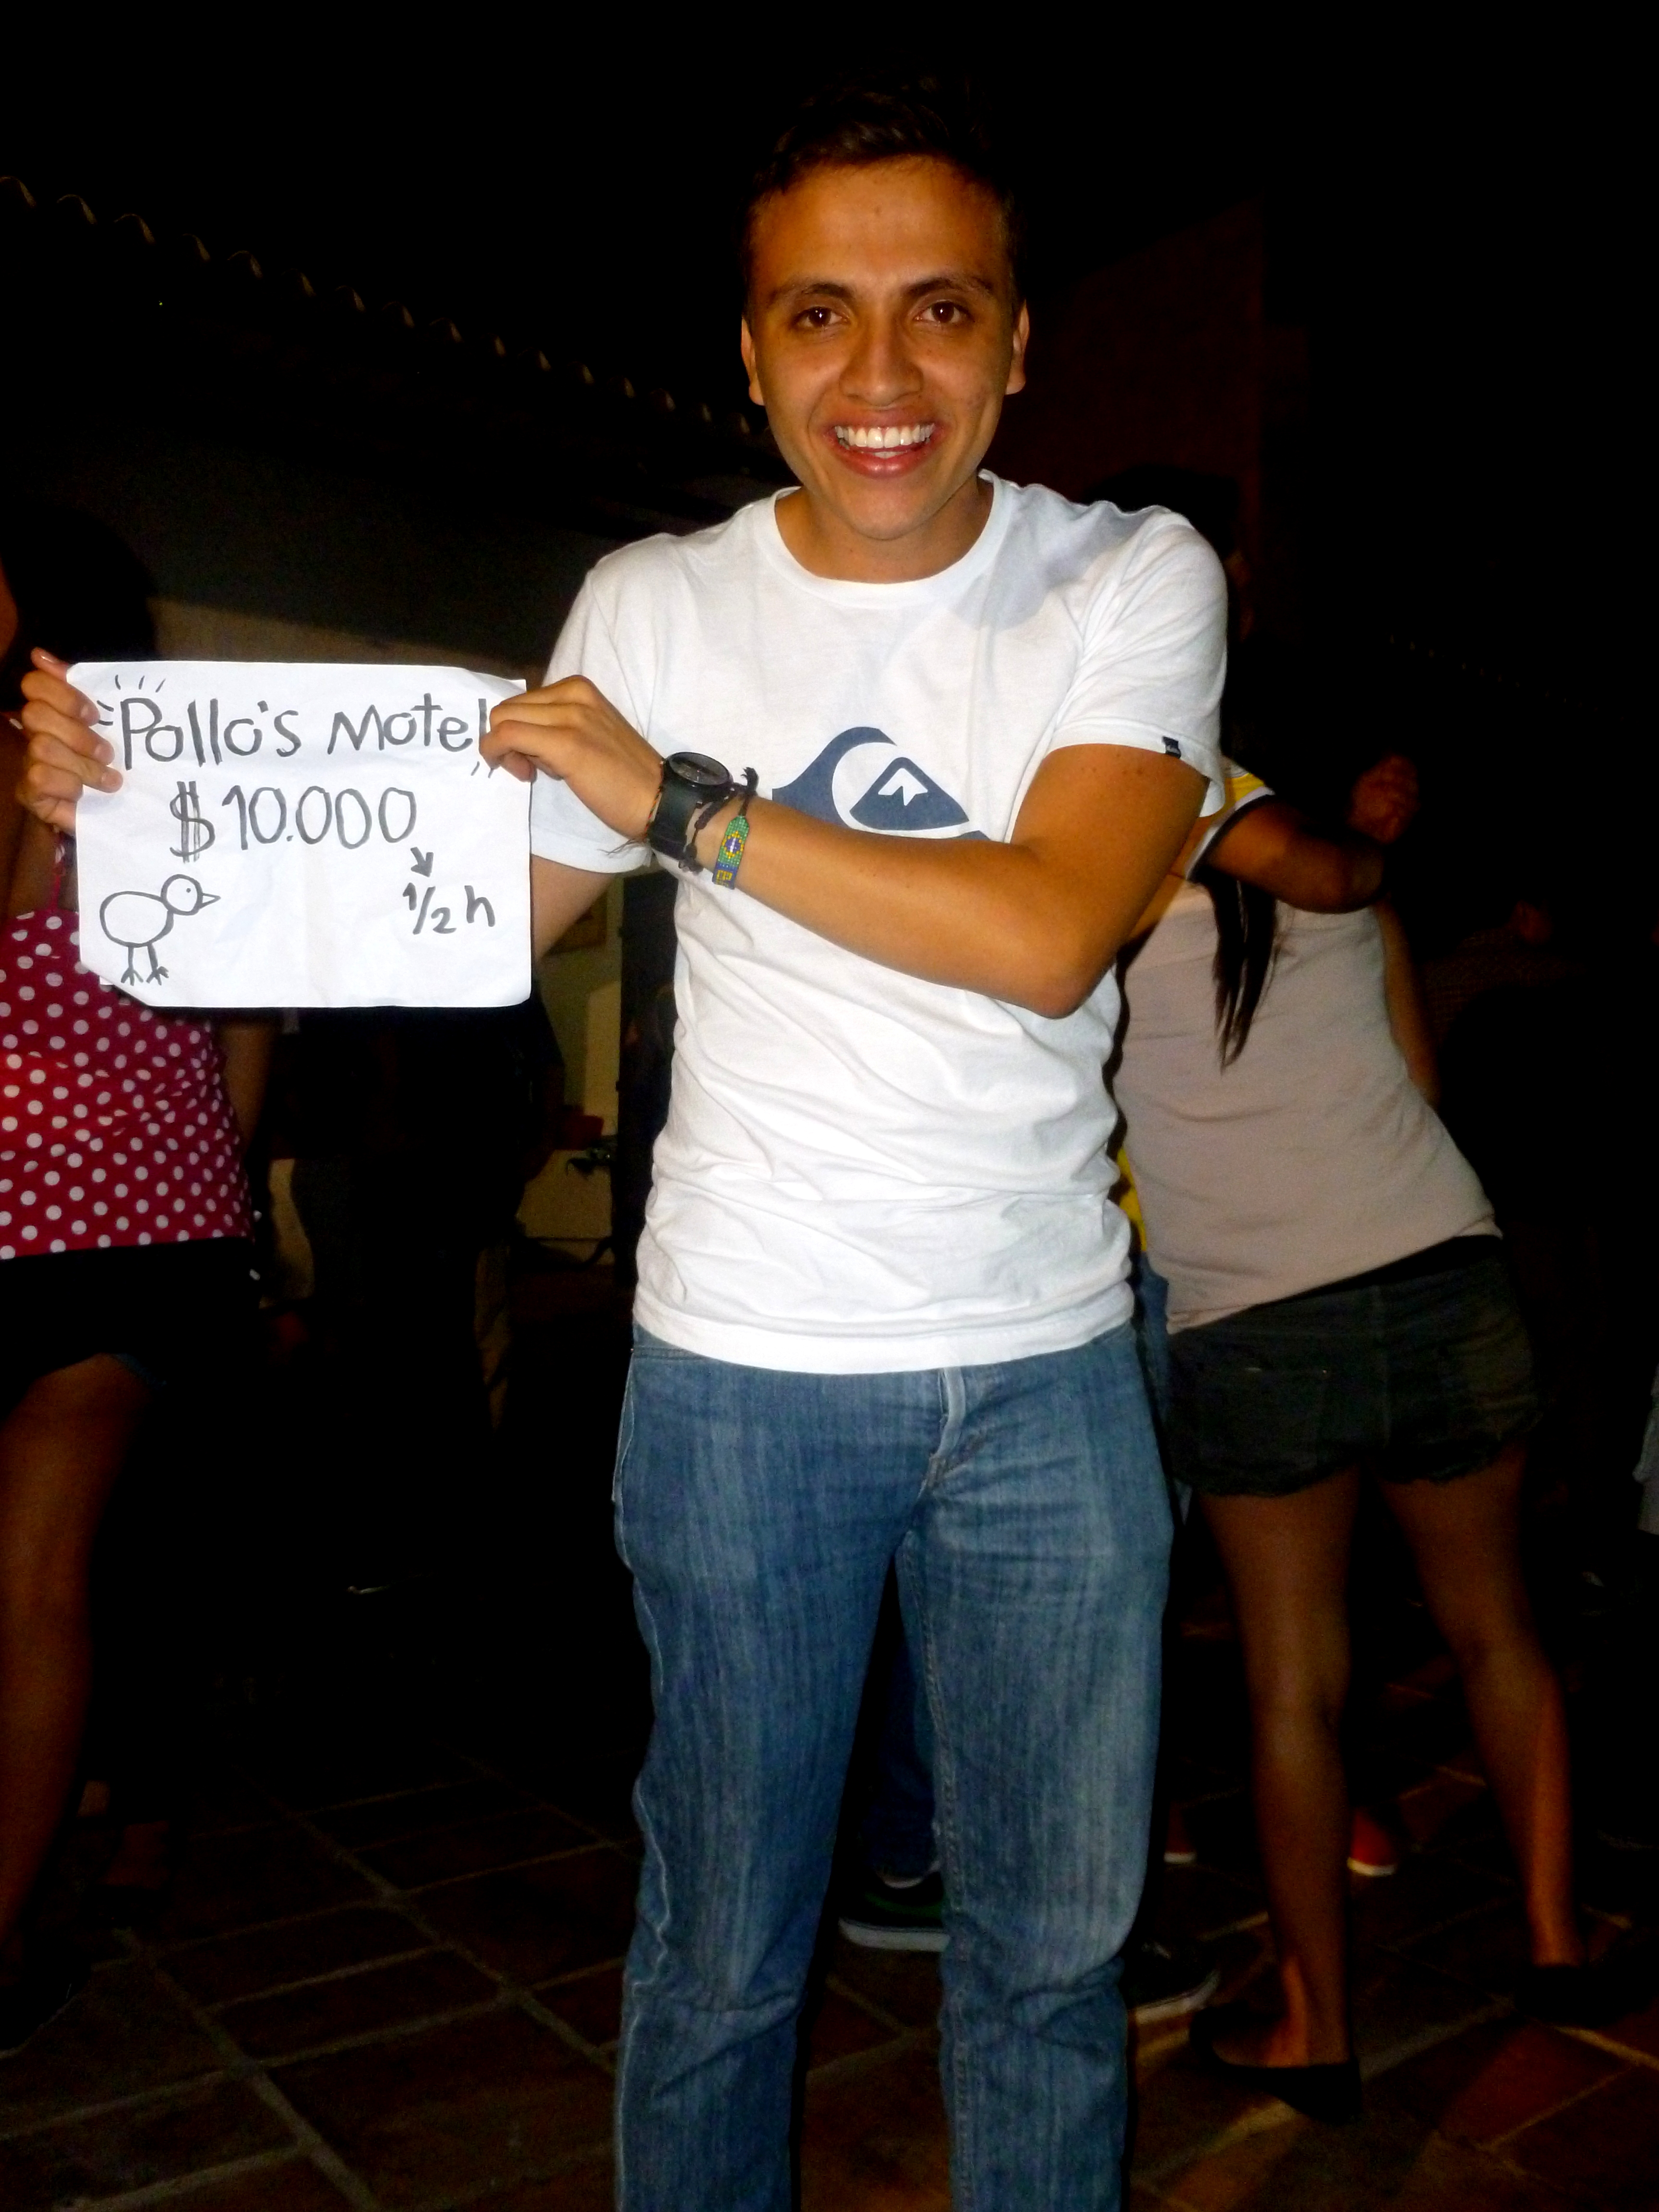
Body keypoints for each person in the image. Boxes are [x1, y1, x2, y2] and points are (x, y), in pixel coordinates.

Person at [25, 78, 1225, 2205]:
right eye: (819, 314)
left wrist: (683, 806)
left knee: (1049, 1960)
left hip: (1049, 1367)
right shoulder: (656, 600)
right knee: (718, 1956)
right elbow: (468, 922)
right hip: (745, 1369)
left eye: (941, 310)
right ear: (751, 352)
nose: (880, 373)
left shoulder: (1128, 573)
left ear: (1020, 341)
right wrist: (146, 820)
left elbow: (1053, 930)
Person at [1112, 752, 1644, 2124]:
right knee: (1500, 1630)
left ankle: (1316, 2023)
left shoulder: (1103, 913)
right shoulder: (1355, 900)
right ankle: (1557, 1944)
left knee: (1293, 1683)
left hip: (1254, 1317)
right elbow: (1418, 1080)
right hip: (1440, 1276)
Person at [1, 561, 271, 2055]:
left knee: (65, 1575)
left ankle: (104, 1828)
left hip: (84, 1210)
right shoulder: (172, 784)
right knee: (61, 1575)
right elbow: (244, 1020)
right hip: (147, 1223)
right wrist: (226, 1200)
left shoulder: (83, 774)